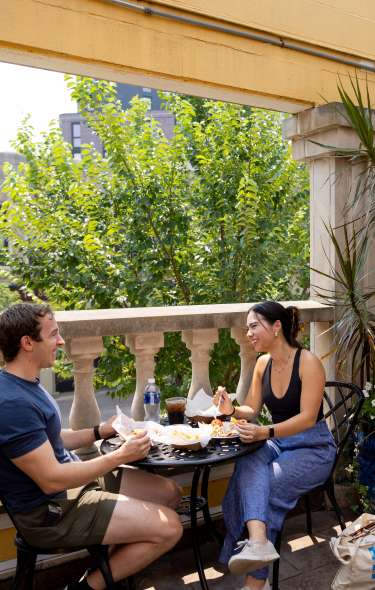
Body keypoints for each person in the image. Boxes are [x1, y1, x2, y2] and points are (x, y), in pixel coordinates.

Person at [0, 303, 183, 590]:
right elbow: (51, 480)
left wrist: (99, 431)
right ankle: (87, 587)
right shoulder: (11, 404)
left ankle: (110, 570)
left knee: (170, 493)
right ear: (27, 343)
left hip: (75, 487)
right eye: (53, 335)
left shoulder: (25, 383)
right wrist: (122, 456)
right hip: (52, 512)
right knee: (170, 527)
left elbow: (51, 441)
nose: (60, 342)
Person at [215, 300, 336, 590]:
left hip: (313, 447)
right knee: (247, 458)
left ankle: (256, 582)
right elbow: (252, 408)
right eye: (247, 328)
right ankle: (257, 542)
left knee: (262, 487)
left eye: (254, 326)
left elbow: (308, 418)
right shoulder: (261, 364)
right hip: (278, 441)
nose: (249, 334)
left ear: (277, 326)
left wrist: (265, 432)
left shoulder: (308, 362)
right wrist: (231, 409)